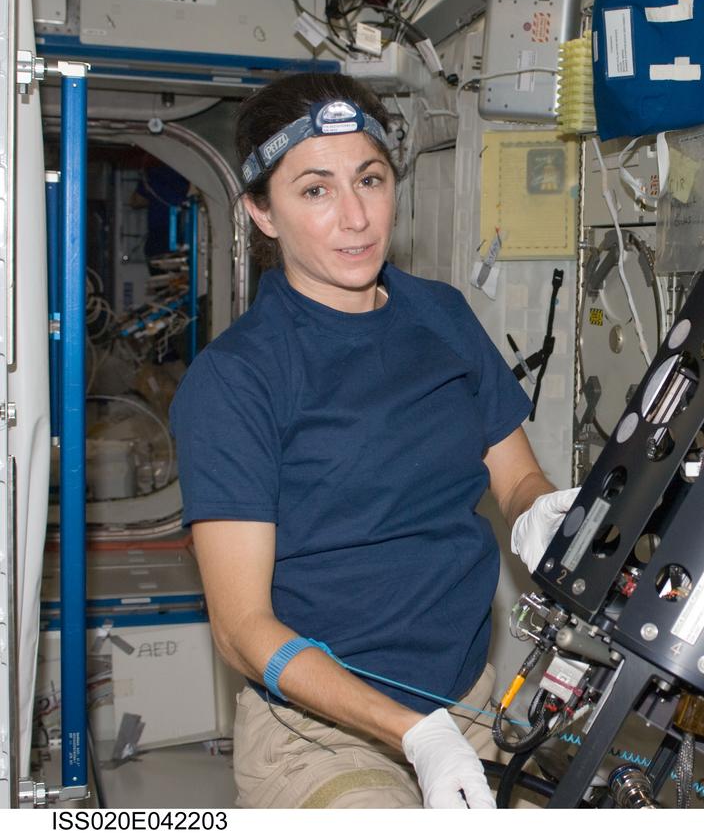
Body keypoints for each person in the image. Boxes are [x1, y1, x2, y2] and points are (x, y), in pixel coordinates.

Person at [169, 73, 576, 809]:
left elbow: (515, 481)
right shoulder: (237, 379)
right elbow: (241, 630)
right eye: (315, 190)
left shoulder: (443, 318)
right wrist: (411, 734)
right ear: (262, 212)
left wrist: (544, 512)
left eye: (370, 178)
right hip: (321, 733)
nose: (355, 217)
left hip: (464, 706)